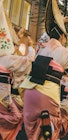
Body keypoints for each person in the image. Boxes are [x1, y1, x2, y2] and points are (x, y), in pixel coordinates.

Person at [19, 0, 68, 140]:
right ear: (62, 37)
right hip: (47, 94)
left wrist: (59, 21)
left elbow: (43, 38)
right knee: (57, 125)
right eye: (65, 39)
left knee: (32, 130)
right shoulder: (62, 52)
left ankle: (45, 125)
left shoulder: (41, 48)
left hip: (29, 92)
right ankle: (48, 123)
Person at [0, 1, 35, 139]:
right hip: (3, 99)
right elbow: (28, 60)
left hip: (7, 97)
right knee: (16, 117)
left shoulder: (8, 58)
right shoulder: (8, 59)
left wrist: (19, 39)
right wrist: (30, 46)